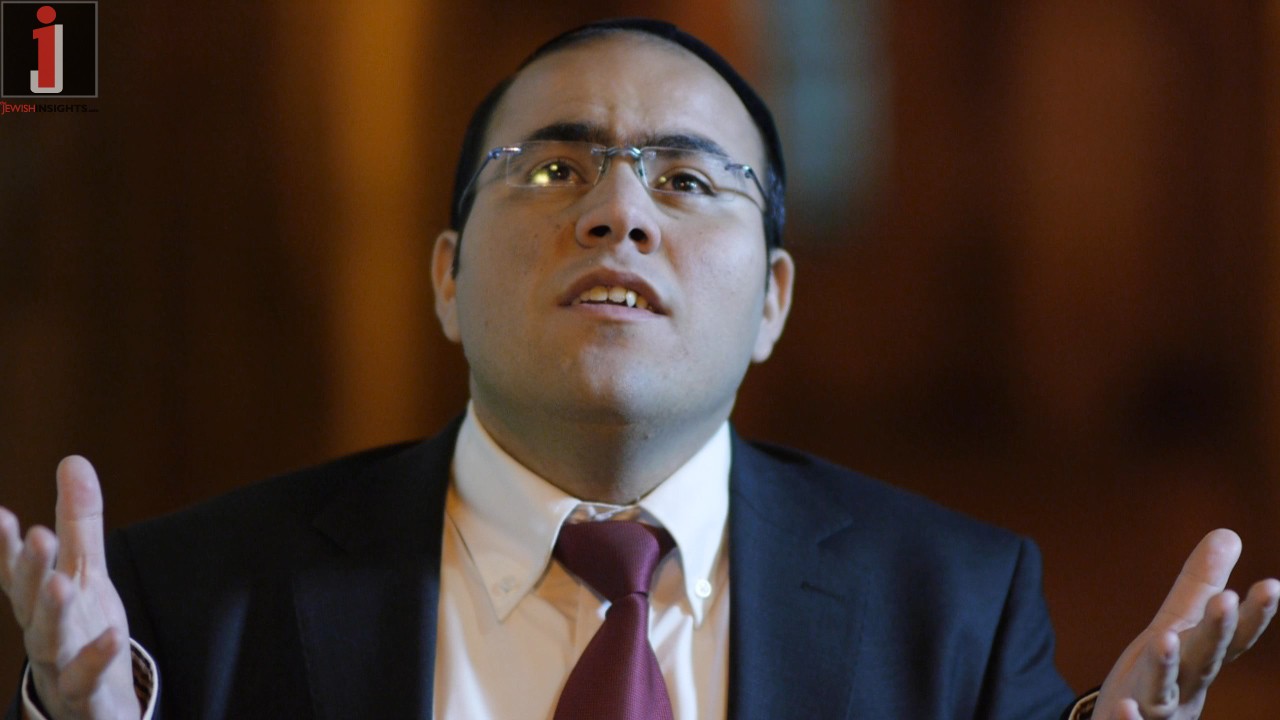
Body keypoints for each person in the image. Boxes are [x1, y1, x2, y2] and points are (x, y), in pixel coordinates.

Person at [2, 18, 1277, 720]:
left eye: (685, 179)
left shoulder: (952, 608)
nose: (617, 213)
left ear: (771, 300)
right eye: (553, 169)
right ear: (445, 276)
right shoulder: (189, 609)